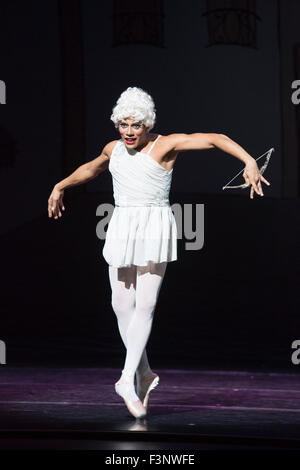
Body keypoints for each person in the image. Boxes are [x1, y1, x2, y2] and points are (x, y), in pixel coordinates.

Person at [48, 86, 270, 419]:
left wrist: (249, 160)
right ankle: (145, 374)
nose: (128, 131)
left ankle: (126, 378)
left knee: (147, 302)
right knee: (121, 304)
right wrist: (60, 185)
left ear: (147, 125)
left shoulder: (165, 145)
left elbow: (214, 138)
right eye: (123, 124)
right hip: (122, 222)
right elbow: (91, 169)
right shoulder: (113, 149)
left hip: (154, 224)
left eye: (135, 125)